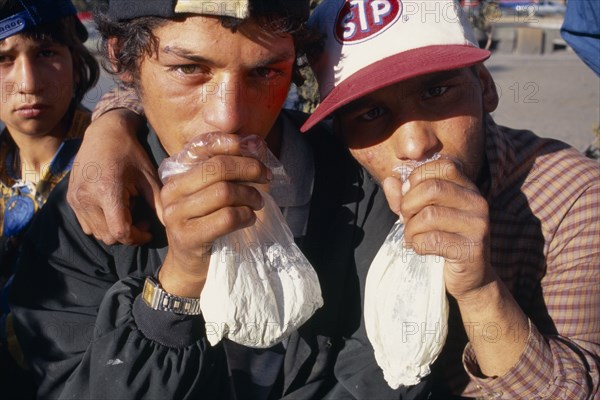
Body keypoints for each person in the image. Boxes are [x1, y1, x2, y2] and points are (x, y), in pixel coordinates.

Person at [62, 0, 600, 398]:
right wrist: (112, 125)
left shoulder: (567, 199)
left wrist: (481, 291)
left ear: (486, 85)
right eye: (369, 113)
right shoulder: (94, 200)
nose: (415, 143)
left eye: (437, 92)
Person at [9, 1, 432, 399]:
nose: (228, 117)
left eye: (266, 72)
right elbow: (66, 382)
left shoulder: (358, 183)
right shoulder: (87, 216)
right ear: (122, 60)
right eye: (189, 68)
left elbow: (387, 369)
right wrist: (175, 291)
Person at [0, 0, 99, 398]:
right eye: (3, 59)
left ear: (77, 62)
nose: (28, 83)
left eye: (46, 53)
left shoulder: (116, 166)